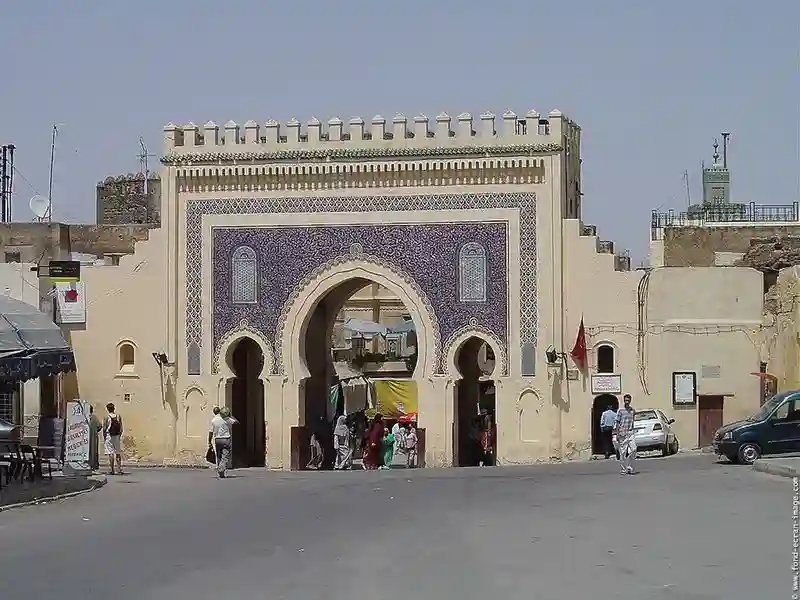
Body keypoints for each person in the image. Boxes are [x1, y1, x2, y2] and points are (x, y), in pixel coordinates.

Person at [209, 406, 238, 478]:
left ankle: (221, 473)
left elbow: (211, 432)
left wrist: (209, 441)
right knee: (225, 455)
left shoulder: (213, 420)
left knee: (219, 455)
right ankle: (221, 469)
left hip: (217, 439)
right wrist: (230, 415)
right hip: (226, 439)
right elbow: (236, 422)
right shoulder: (226, 418)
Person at [613, 394, 637, 475]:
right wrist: (617, 434)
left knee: (634, 449)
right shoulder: (620, 411)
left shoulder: (632, 411)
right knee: (622, 453)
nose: (627, 402)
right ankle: (623, 469)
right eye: (625, 400)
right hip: (622, 434)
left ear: (630, 401)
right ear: (624, 401)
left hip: (630, 433)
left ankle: (629, 466)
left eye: (628, 400)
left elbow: (633, 421)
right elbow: (617, 422)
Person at [103, 403, 124, 475]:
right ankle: (119, 469)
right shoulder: (118, 416)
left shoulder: (106, 417)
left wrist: (104, 437)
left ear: (108, 409)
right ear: (114, 408)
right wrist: (119, 436)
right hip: (117, 436)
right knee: (117, 453)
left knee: (110, 453)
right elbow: (121, 428)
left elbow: (104, 428)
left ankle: (112, 470)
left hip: (109, 436)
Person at [88, 405, 101, 472]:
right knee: (94, 451)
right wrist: (95, 430)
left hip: (85, 438)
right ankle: (93, 465)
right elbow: (100, 426)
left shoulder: (85, 417)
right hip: (94, 437)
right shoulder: (94, 417)